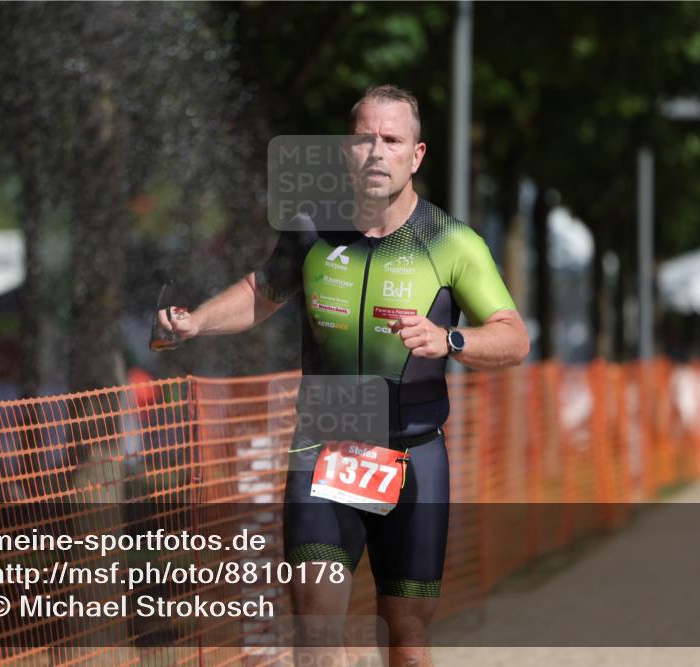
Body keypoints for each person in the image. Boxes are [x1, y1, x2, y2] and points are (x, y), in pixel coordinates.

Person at [156, 84, 529, 666]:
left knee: (406, 638)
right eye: (364, 139)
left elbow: (513, 337)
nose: (377, 152)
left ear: (417, 155)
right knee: (316, 630)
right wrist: (196, 322)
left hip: (413, 455)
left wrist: (450, 339)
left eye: (392, 140)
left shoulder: (451, 241)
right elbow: (262, 291)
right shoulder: (312, 227)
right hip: (324, 448)